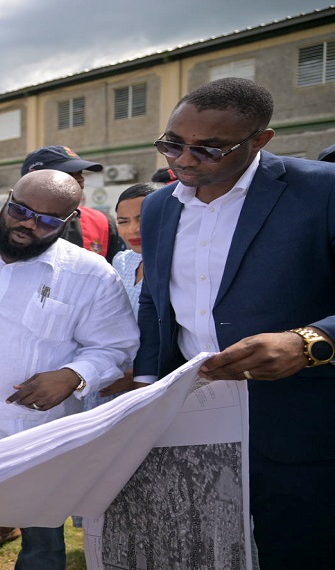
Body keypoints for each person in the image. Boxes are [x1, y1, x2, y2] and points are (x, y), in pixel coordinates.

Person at [135, 77, 335, 568]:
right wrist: (143, 383)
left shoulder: (321, 191)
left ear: (260, 141)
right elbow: (154, 302)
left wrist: (311, 341)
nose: (182, 160)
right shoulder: (160, 206)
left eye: (208, 149)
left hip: (298, 426)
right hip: (191, 418)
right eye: (172, 144)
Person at [0, 169, 138, 570]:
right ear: (7, 200)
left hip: (32, 438)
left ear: (69, 221)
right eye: (20, 210)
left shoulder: (91, 275)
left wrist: (74, 376)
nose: (28, 225)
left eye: (48, 221)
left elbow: (115, 347)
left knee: (41, 538)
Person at [81, 183, 157, 411]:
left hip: (150, 386)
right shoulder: (123, 261)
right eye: (123, 221)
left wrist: (139, 375)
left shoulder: (182, 268)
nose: (133, 230)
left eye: (142, 219)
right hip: (107, 379)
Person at [0, 146, 123, 263]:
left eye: (79, 174)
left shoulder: (102, 224)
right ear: (32, 177)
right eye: (67, 174)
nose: (80, 180)